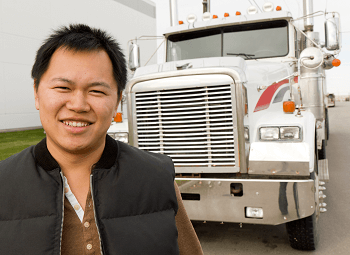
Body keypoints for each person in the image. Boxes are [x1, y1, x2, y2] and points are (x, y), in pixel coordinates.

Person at [0, 24, 203, 255]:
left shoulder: (157, 180)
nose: (78, 105)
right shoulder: (4, 185)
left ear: (117, 101)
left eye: (96, 91)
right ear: (36, 92)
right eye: (63, 87)